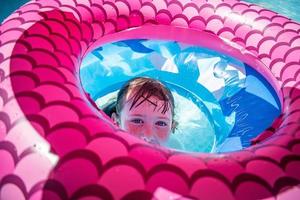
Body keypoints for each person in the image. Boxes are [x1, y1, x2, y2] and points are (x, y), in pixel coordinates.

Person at [103, 77, 177, 146]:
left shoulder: (178, 148)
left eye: (161, 123)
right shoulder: (107, 146)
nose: (148, 136)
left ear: (171, 127)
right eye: (137, 121)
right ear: (115, 122)